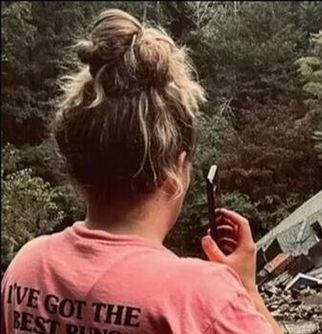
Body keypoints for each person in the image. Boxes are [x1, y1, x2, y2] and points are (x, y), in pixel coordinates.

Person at [1, 8, 282, 334]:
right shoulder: (200, 298)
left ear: (75, 163)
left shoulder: (27, 268)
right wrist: (246, 289)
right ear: (176, 169)